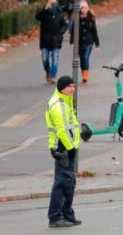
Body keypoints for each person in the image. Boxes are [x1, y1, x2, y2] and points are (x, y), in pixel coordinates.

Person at [46, 76, 81, 228]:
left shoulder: (65, 101)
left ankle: (67, 214)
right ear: (62, 88)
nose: (73, 89)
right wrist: (71, 148)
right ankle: (55, 217)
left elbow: (70, 125)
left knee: (69, 182)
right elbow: (62, 130)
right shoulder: (58, 105)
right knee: (62, 183)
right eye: (70, 87)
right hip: (63, 148)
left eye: (74, 86)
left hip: (67, 146)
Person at [37, 0, 68, 84]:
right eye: (51, 3)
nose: (52, 4)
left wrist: (60, 33)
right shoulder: (44, 13)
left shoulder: (60, 14)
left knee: (55, 59)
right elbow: (37, 17)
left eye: (54, 3)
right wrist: (44, 9)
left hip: (56, 40)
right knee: (44, 59)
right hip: (45, 40)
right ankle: (48, 71)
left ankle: (52, 75)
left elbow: (65, 25)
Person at [68, 1, 99, 83]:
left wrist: (97, 44)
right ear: (80, 9)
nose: (84, 10)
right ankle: (84, 72)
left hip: (89, 41)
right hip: (79, 42)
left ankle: (86, 74)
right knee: (82, 59)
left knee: (85, 57)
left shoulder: (91, 18)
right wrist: (71, 42)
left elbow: (94, 31)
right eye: (82, 8)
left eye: (85, 8)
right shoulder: (76, 19)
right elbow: (73, 31)